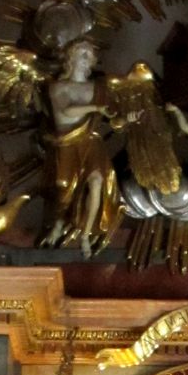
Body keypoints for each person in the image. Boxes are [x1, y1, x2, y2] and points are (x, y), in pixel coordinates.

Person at [43, 39, 122, 257]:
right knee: (64, 186)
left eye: (90, 54)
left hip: (92, 141)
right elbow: (66, 112)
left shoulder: (98, 88)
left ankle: (86, 235)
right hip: (67, 141)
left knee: (97, 183)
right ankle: (59, 222)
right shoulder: (58, 87)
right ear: (71, 57)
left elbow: (114, 116)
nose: (87, 58)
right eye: (82, 53)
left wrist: (123, 119)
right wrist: (96, 107)